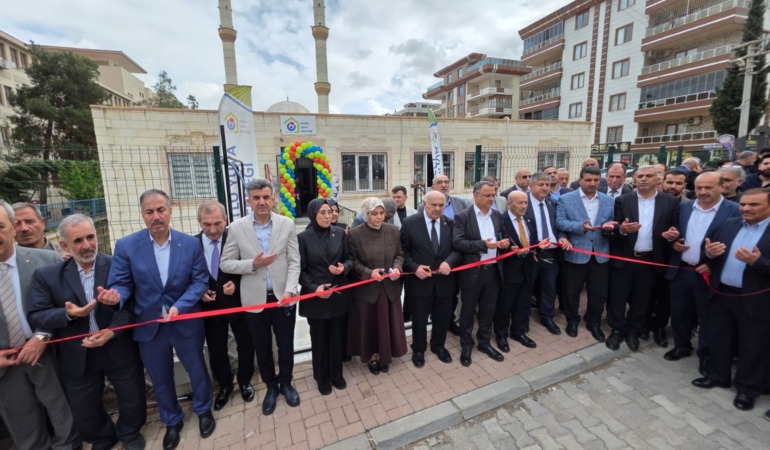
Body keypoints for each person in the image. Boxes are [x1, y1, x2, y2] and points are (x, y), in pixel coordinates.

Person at [27, 214, 147, 450]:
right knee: (83, 409)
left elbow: (134, 305)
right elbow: (36, 315)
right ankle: (103, 437)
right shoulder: (47, 276)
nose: (87, 245)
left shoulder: (117, 265)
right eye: (78, 240)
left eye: (90, 237)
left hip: (116, 345)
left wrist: (112, 330)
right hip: (77, 354)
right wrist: (70, 314)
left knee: (131, 396)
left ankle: (130, 433)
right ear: (64, 246)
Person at [106, 189, 214, 449]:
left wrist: (181, 305)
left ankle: (203, 409)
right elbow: (121, 283)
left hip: (185, 320)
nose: (156, 216)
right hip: (149, 325)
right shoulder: (127, 246)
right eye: (150, 211)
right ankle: (172, 419)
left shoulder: (189, 244)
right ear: (142, 214)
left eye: (161, 210)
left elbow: (200, 281)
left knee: (197, 368)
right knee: (159, 376)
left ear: (170, 210)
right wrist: (115, 296)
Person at [0, 200, 79, 450]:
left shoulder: (48, 260)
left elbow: (64, 304)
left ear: (12, 228)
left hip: (46, 352)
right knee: (23, 423)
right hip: (5, 364)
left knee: (61, 412)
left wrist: (42, 336)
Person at [220, 179, 301, 416]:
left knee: (285, 344)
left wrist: (290, 290)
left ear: (274, 198)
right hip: (254, 299)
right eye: (256, 198)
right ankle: (271, 387)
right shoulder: (236, 228)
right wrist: (252, 264)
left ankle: (286, 382)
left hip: (283, 297)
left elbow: (294, 261)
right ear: (249, 201)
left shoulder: (287, 224)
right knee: (262, 346)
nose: (262, 202)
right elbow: (226, 262)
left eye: (266, 197)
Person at [692, 188, 770, 413]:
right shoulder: (729, 224)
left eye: (754, 204)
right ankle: (718, 376)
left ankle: (747, 389)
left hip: (757, 300)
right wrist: (710, 255)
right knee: (719, 337)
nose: (746, 208)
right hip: (722, 293)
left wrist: (759, 262)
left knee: (753, 346)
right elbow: (709, 253)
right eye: (744, 204)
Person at [663, 173, 740, 376]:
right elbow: (676, 233)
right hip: (681, 271)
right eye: (699, 188)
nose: (703, 192)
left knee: (708, 318)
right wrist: (673, 242)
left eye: (708, 187)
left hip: (709, 274)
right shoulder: (684, 207)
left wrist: (713, 265)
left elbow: (737, 245)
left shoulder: (735, 211)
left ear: (721, 187)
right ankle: (681, 345)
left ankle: (705, 355)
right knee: (679, 313)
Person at [606, 166, 679, 352]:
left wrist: (673, 236)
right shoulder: (623, 200)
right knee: (618, 297)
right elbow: (615, 227)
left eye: (648, 176)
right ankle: (617, 329)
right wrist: (622, 230)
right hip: (625, 257)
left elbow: (675, 229)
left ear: (658, 180)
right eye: (640, 176)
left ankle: (633, 330)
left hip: (650, 259)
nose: (644, 179)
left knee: (642, 298)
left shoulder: (670, 201)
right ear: (634, 179)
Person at [195, 201, 255, 411]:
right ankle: (225, 386)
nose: (212, 230)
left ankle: (245, 381)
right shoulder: (192, 244)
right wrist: (199, 291)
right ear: (199, 223)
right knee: (216, 349)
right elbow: (187, 274)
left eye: (217, 224)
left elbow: (250, 266)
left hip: (237, 302)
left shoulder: (238, 238)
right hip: (209, 307)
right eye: (206, 225)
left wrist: (236, 285)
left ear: (226, 220)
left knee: (245, 344)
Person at [453, 181, 510, 366]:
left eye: (493, 195)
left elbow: (501, 235)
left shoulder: (497, 215)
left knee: (488, 310)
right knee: (468, 311)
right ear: (476, 196)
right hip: (472, 272)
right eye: (487, 195)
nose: (492, 199)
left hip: (493, 270)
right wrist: (483, 245)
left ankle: (484, 342)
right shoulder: (463, 217)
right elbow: (458, 242)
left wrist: (504, 243)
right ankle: (466, 345)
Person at [297, 198, 352, 394]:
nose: (328, 216)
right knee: (319, 340)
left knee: (337, 338)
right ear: (313, 214)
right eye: (323, 212)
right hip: (316, 299)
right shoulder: (303, 238)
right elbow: (301, 271)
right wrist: (314, 288)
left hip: (338, 296)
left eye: (330, 212)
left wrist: (343, 268)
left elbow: (349, 258)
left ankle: (337, 374)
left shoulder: (339, 234)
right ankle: (321, 377)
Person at [555, 166, 616, 342]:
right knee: (571, 291)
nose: (592, 183)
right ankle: (572, 320)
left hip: (600, 253)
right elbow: (560, 222)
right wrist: (579, 226)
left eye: (596, 180)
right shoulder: (566, 199)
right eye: (588, 180)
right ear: (580, 180)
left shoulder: (608, 200)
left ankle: (593, 322)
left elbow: (612, 223)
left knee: (598, 293)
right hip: (576, 252)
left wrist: (610, 228)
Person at [400, 191, 460, 367]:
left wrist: (449, 262)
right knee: (419, 319)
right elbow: (403, 252)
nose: (438, 209)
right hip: (420, 283)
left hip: (444, 282)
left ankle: (438, 345)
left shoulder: (450, 223)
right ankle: (418, 349)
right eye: (434, 204)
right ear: (424, 204)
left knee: (442, 317)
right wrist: (414, 267)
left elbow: (457, 249)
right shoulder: (410, 224)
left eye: (441, 205)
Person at [347, 197, 406, 374]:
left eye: (381, 213)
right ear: (366, 214)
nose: (379, 217)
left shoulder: (394, 230)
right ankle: (372, 356)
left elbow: (400, 254)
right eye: (375, 214)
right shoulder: (355, 234)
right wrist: (368, 273)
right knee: (370, 323)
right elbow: (353, 261)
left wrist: (397, 268)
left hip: (389, 287)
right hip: (368, 289)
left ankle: (384, 355)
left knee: (388, 323)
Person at [495, 191, 539, 351]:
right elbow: (499, 243)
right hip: (509, 269)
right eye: (519, 203)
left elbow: (533, 240)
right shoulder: (501, 220)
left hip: (528, 268)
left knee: (523, 303)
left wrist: (539, 247)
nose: (523, 206)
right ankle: (501, 335)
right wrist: (510, 249)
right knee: (505, 304)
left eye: (525, 202)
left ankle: (518, 332)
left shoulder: (529, 219)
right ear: (509, 204)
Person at [526, 172, 569, 336]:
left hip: (551, 253)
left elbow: (560, 227)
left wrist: (563, 238)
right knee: (526, 288)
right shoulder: (523, 203)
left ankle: (547, 317)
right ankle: (523, 319)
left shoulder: (553, 203)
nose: (545, 188)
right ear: (531, 186)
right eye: (541, 185)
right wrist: (532, 248)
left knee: (549, 287)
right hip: (532, 253)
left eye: (548, 185)